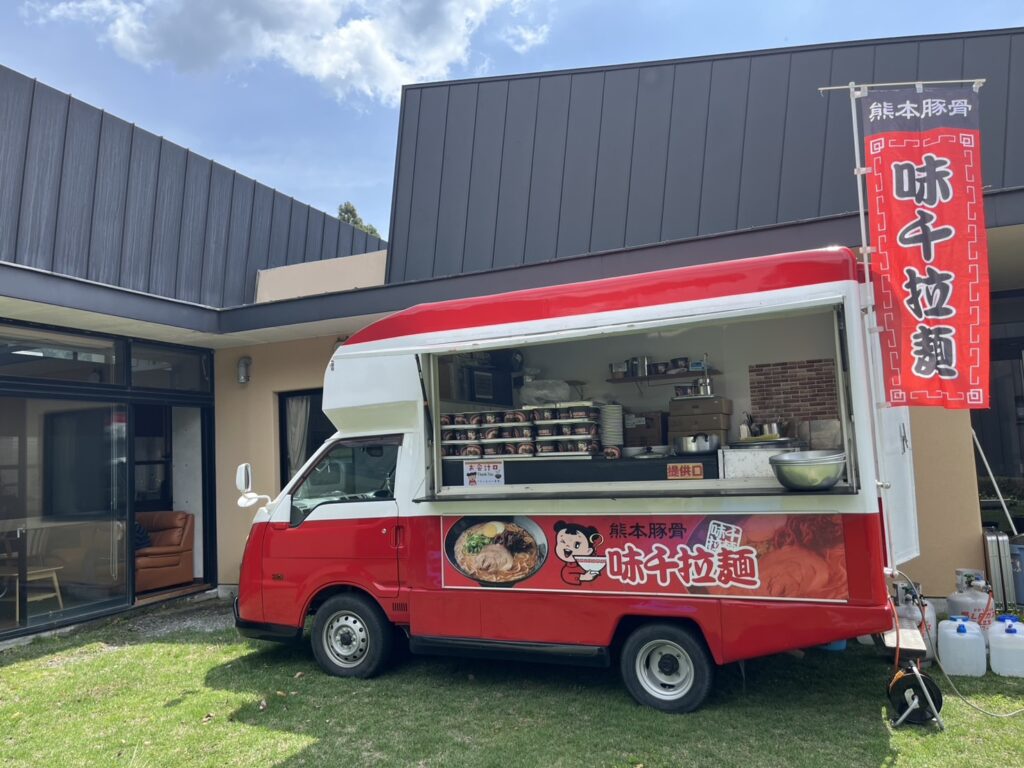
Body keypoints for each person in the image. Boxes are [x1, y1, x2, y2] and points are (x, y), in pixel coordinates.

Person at [553, 520, 602, 585]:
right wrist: (583, 577)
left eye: (577, 545)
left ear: (588, 550)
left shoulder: (588, 563)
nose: (567, 546)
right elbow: (566, 576)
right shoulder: (568, 568)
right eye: (563, 541)